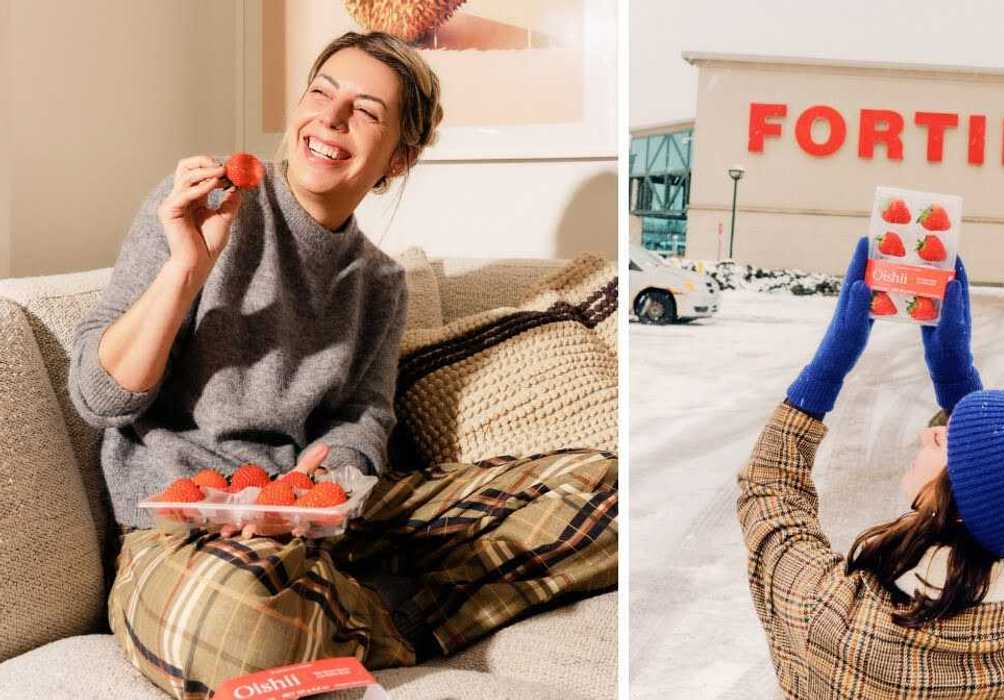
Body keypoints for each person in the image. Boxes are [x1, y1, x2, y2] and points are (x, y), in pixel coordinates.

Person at [69, 32, 617, 698]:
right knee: (229, 623)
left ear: (398, 157)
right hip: (185, 533)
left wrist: (326, 475)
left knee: (612, 489)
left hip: (315, 520)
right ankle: (375, 618)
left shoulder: (379, 283)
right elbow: (99, 401)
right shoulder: (204, 207)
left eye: (365, 111)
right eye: (321, 93)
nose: (329, 119)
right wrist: (186, 269)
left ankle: (325, 612)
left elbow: (362, 416)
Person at [737, 237, 1004, 699]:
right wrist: (957, 380)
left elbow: (770, 493)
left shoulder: (843, 625)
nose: (930, 432)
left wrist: (828, 368)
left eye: (951, 442)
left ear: (963, 509)